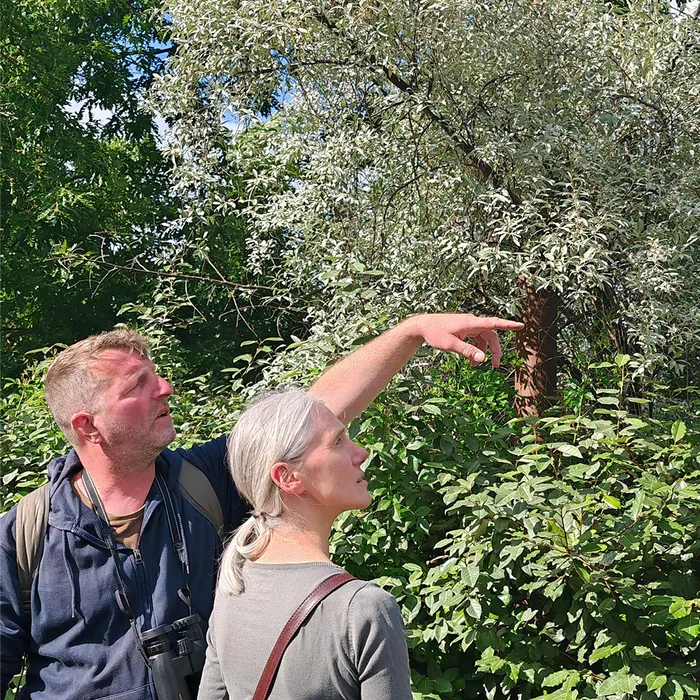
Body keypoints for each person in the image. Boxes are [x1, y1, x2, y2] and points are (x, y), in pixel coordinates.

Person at [0, 313, 523, 700]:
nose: (166, 387)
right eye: (139, 385)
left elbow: (308, 421)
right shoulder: (26, 533)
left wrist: (410, 333)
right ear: (87, 426)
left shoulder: (200, 483)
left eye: (156, 374)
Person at [198, 389, 412, 699]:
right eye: (338, 442)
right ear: (287, 477)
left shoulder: (235, 585)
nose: (360, 453)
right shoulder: (361, 609)